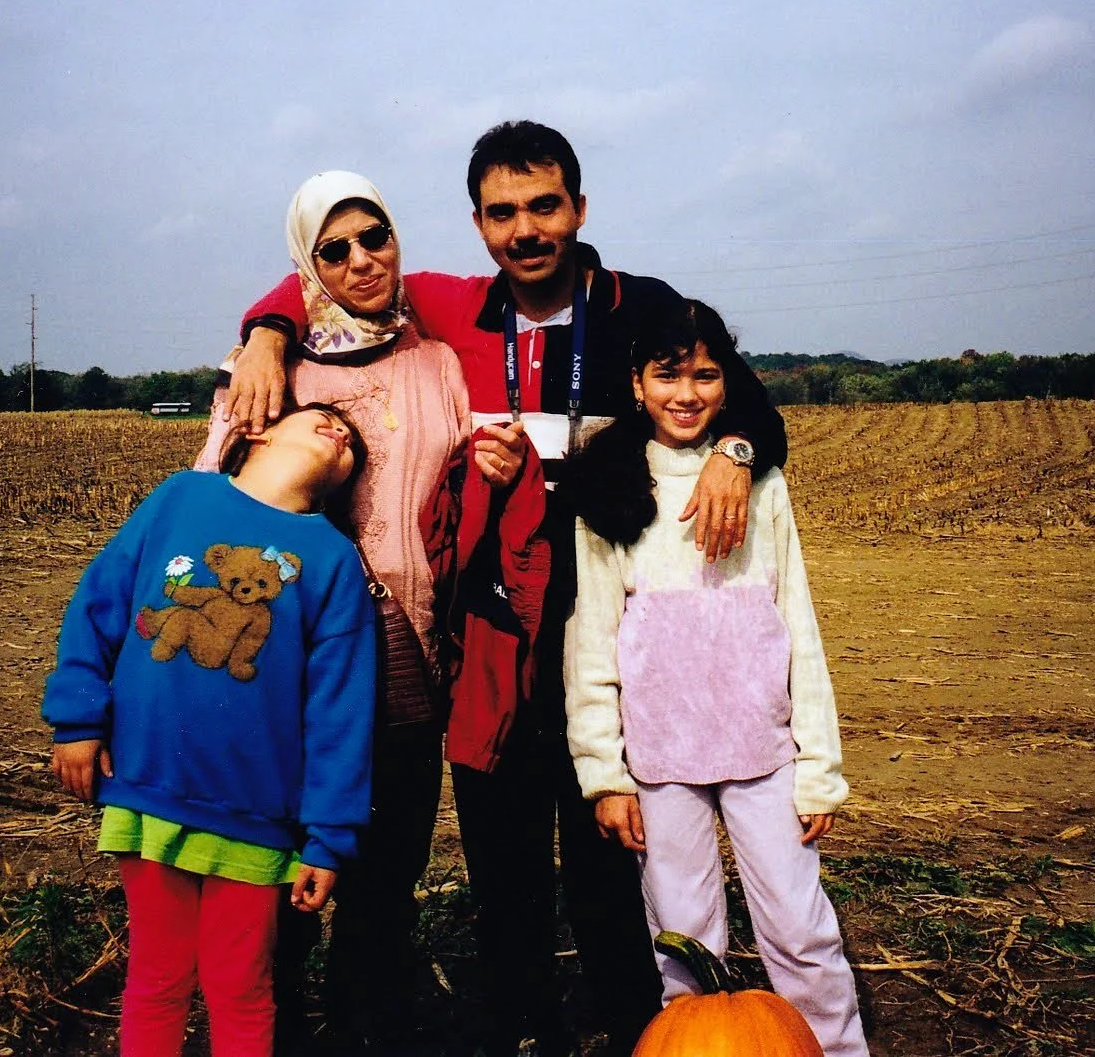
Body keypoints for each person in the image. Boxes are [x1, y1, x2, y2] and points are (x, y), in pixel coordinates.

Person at [223, 122, 787, 1057]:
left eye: (544, 207)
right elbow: (326, 269)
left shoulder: (640, 307)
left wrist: (731, 451)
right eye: (502, 213)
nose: (525, 230)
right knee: (500, 841)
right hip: (495, 621)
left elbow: (750, 399)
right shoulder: (456, 305)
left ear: (579, 208)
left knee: (609, 836)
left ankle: (634, 1022)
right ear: (479, 225)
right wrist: (265, 335)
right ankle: (520, 1027)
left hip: (616, 617)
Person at [197, 171, 550, 1054]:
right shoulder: (266, 373)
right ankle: (265, 1029)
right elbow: (212, 510)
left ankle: (365, 1026)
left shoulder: (437, 363)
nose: (363, 260)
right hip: (289, 666)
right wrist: (265, 339)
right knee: (281, 874)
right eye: (335, 249)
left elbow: (467, 488)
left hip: (405, 661)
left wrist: (493, 470)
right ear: (307, 266)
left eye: (376, 237)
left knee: (385, 874)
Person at [563, 301, 869, 1057]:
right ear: (636, 384)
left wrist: (819, 768)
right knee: (683, 941)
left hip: (763, 754)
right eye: (667, 374)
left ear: (727, 386)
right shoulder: (607, 487)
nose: (686, 393)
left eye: (706, 375)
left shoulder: (759, 485)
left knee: (801, 933)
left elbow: (798, 625)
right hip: (660, 764)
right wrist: (605, 773)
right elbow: (591, 644)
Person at [42, 402, 377, 1057]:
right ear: (256, 432)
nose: (341, 432)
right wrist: (78, 716)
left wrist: (329, 836)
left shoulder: (332, 559)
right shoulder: (180, 498)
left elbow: (341, 706)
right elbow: (100, 601)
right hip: (146, 787)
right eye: (323, 418)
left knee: (239, 984)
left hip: (255, 816)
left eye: (353, 444)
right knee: (158, 976)